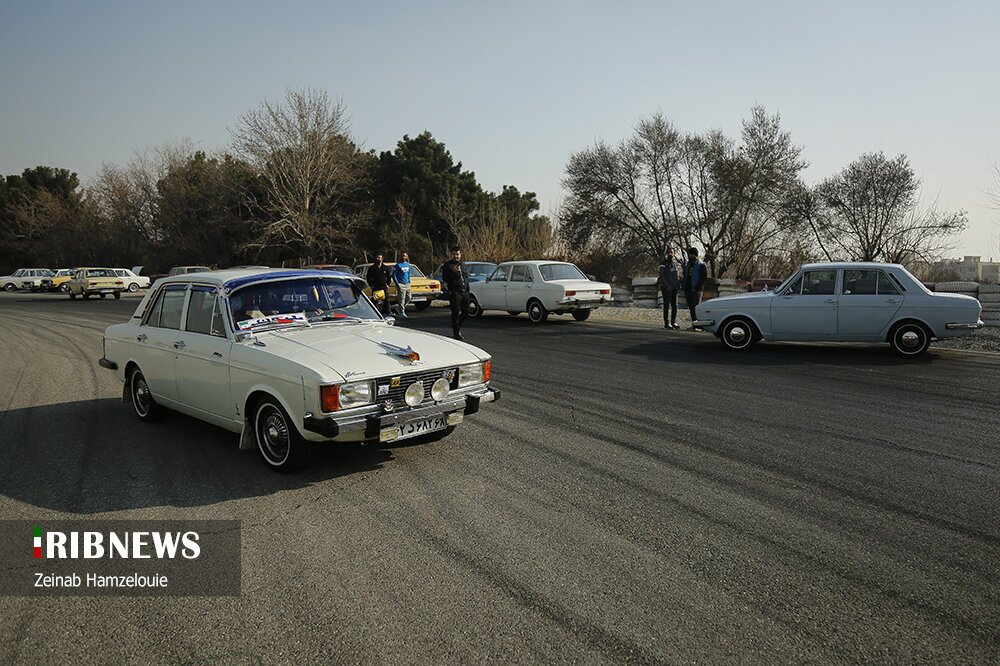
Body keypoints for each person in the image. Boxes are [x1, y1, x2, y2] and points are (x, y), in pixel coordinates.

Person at [438, 246, 470, 340]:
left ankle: (457, 326)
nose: (456, 256)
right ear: (452, 255)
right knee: (455, 312)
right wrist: (454, 273)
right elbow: (445, 278)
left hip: (465, 291)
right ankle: (456, 332)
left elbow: (466, 277)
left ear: (460, 254)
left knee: (466, 312)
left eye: (458, 254)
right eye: (454, 254)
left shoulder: (463, 264)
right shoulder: (448, 265)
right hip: (455, 292)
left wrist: (468, 288)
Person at [682, 246, 707, 330]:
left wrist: (696, 288)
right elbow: (684, 276)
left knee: (697, 307)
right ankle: (694, 324)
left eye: (693, 255)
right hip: (688, 288)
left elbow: (703, 278)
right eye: (690, 254)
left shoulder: (701, 265)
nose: (691, 256)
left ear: (696, 255)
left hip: (697, 290)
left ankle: (700, 325)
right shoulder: (687, 265)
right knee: (691, 308)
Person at [657, 248, 680, 330]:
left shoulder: (676, 263)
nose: (670, 254)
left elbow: (678, 276)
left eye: (671, 252)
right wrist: (667, 286)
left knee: (675, 306)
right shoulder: (663, 264)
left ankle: (673, 322)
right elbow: (662, 277)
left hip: (675, 288)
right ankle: (667, 323)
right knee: (667, 305)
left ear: (674, 253)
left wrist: (678, 286)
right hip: (666, 288)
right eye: (668, 252)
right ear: (666, 253)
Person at [392, 252, 413, 318]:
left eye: (405, 256)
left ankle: (399, 308)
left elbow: (409, 274)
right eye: (403, 256)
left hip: (407, 283)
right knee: (402, 298)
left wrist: (409, 281)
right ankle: (401, 312)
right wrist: (397, 283)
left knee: (409, 297)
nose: (404, 257)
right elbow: (394, 274)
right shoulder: (398, 265)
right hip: (400, 284)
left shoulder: (408, 264)